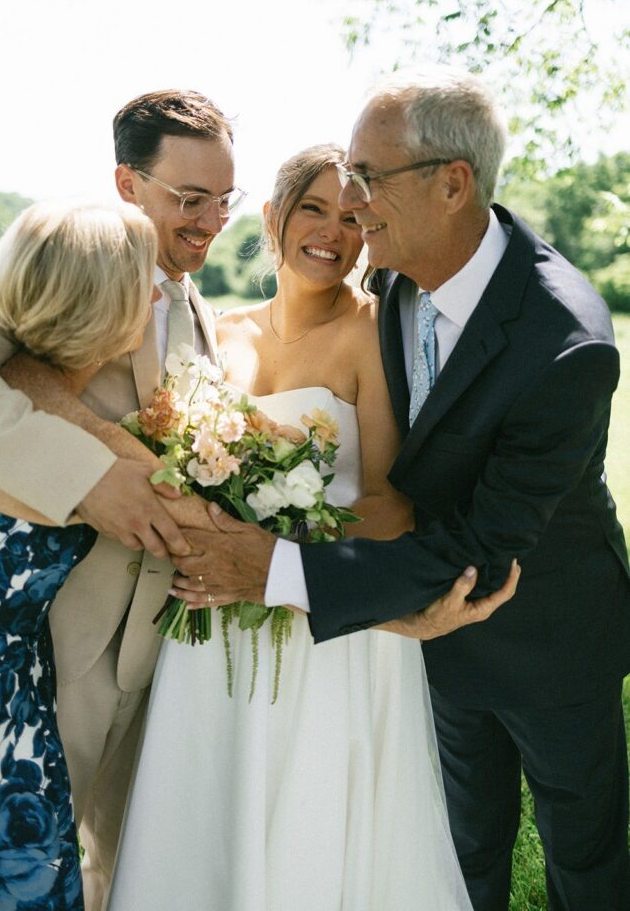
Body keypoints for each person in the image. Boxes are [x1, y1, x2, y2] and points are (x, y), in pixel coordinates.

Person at [173, 68, 630, 911]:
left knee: (583, 851)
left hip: (548, 632)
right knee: (460, 845)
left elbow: (482, 545)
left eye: (367, 177)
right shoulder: (393, 279)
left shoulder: (564, 343)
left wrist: (270, 572)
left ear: (451, 183)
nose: (351, 203)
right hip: (426, 627)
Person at [108, 144, 502, 910]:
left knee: (314, 819)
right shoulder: (219, 333)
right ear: (272, 217)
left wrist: (269, 556)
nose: (333, 231)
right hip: (216, 611)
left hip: (325, 617)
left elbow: (389, 503)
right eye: (314, 208)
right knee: (207, 810)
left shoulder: (370, 333)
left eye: (353, 217)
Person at [0, 89, 242, 910]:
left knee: (127, 865)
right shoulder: (61, 261)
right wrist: (88, 480)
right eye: (189, 199)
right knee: (22, 864)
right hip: (49, 638)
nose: (210, 220)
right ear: (126, 183)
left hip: (161, 644)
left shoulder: (195, 305)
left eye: (224, 199)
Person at [0, 199, 159, 911]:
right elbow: (185, 517)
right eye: (144, 280)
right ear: (105, 309)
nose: (158, 293)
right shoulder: (87, 467)